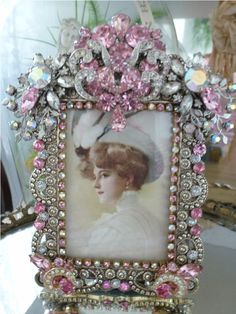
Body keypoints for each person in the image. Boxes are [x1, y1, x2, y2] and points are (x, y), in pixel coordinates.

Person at [71, 111, 167, 260]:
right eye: (95, 176)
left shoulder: (112, 232)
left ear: (128, 178)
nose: (96, 185)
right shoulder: (150, 219)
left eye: (104, 175)